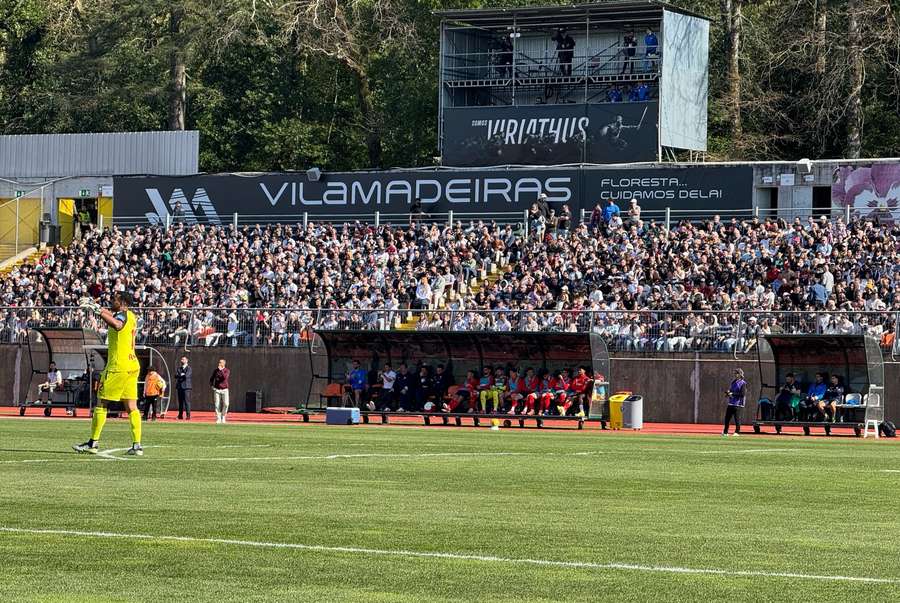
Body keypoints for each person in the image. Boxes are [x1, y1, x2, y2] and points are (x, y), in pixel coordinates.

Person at [73, 292, 144, 456]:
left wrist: (97, 310)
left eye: (115, 299)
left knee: (101, 403)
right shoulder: (131, 315)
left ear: (123, 302)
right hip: (132, 364)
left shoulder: (122, 316)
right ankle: (137, 445)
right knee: (131, 406)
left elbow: (117, 324)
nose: (112, 301)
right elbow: (113, 316)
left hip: (117, 366)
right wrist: (96, 306)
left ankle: (93, 443)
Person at [723, 368, 747, 436]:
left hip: (738, 404)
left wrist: (733, 394)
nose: (735, 374)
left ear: (740, 374)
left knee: (737, 419)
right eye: (735, 373)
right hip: (731, 403)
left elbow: (742, 394)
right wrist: (728, 393)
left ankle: (737, 432)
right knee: (727, 418)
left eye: (736, 373)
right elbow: (731, 390)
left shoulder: (743, 383)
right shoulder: (733, 382)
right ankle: (725, 432)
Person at [210, 358, 231, 424]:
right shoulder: (215, 371)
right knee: (217, 404)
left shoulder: (227, 370)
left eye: (220, 362)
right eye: (219, 362)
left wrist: (221, 370)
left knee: (226, 404)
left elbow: (225, 378)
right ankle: (218, 418)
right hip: (217, 390)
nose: (219, 363)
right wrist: (211, 385)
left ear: (224, 363)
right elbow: (211, 378)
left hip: (225, 390)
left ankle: (223, 416)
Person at [175, 356, 193, 420]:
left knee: (187, 402)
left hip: (186, 387)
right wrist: (181, 375)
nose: (182, 360)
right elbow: (176, 375)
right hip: (180, 387)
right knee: (180, 402)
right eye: (182, 359)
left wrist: (181, 375)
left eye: (184, 359)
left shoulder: (189, 368)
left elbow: (186, 376)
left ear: (187, 360)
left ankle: (188, 415)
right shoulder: (179, 368)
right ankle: (180, 415)